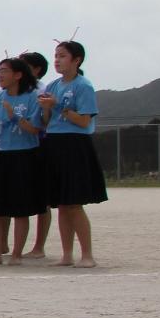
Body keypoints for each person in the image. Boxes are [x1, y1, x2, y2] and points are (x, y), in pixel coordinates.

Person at [0, 57, 44, 265]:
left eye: (4, 70)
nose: (0, 75)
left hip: (24, 155)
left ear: (18, 74)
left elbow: (35, 129)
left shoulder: (32, 97)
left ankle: (17, 254)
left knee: (21, 208)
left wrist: (14, 117)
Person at [40, 38, 107, 267]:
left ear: (76, 60)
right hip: (55, 142)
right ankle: (67, 254)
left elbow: (84, 120)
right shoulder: (52, 86)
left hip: (76, 144)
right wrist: (47, 109)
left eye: (62, 56)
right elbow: (46, 120)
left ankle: (87, 254)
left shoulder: (83, 86)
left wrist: (58, 106)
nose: (57, 60)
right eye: (56, 56)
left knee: (74, 203)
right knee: (62, 203)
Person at [19, 50, 55, 259]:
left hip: (39, 144)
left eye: (22, 65)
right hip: (18, 146)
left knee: (43, 198)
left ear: (36, 69)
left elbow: (42, 121)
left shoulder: (42, 90)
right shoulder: (15, 91)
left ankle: (39, 246)